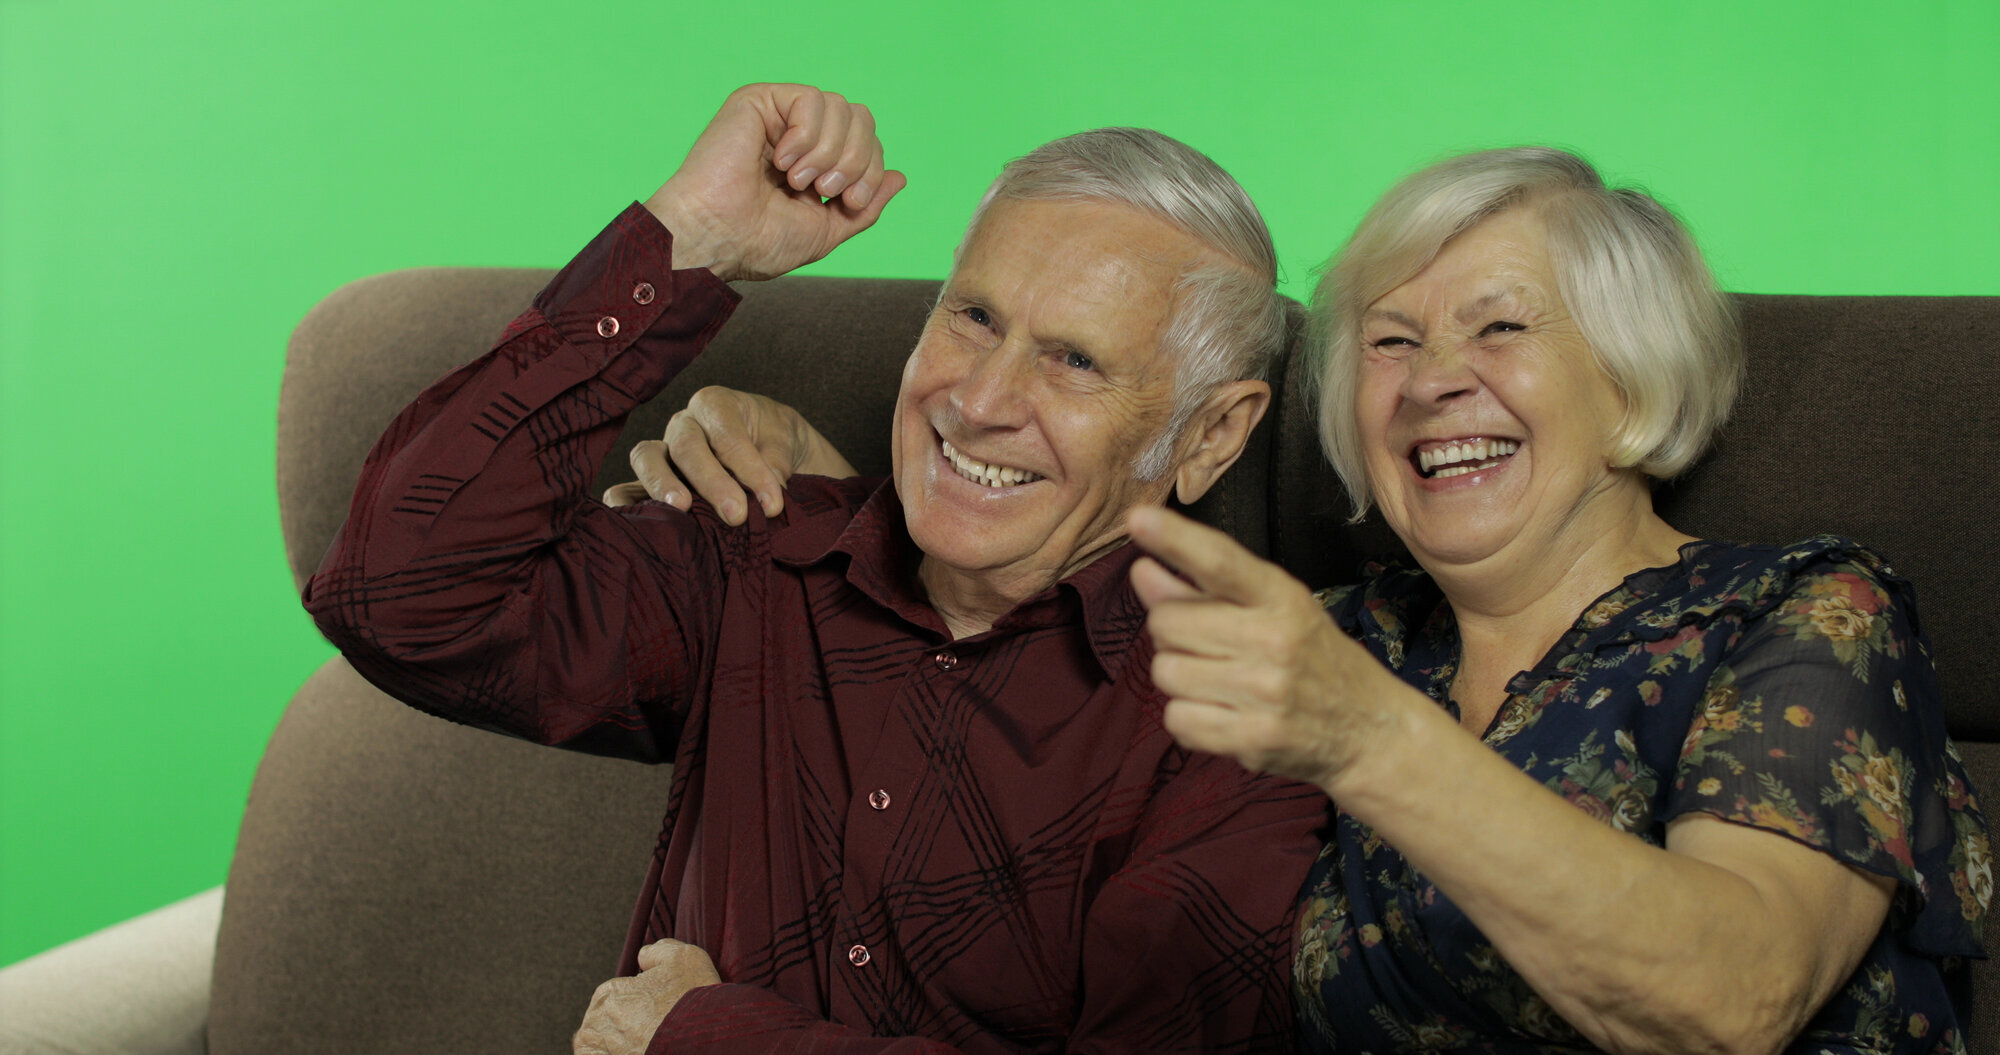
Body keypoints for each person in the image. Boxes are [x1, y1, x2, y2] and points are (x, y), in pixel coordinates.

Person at [642, 147, 1989, 1053]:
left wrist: (1369, 737)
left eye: (1499, 326)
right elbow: (1001, 635)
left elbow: (1735, 996)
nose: (1431, 378)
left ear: (1632, 379)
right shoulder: (1330, 637)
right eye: (1390, 340)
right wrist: (848, 495)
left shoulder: (1797, 616)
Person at [304, 82, 1325, 1055]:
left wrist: (700, 1036)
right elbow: (396, 597)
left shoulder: (1240, 723)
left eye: (1076, 361)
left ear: (1211, 435)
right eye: (972, 317)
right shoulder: (756, 550)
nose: (977, 402)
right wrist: (690, 240)